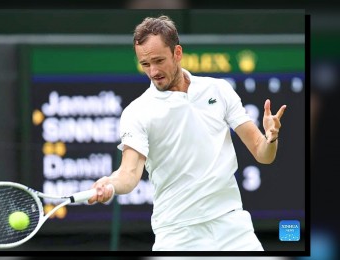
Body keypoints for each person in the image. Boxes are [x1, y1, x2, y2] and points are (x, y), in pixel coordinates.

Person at [88, 15, 286, 251]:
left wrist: (271, 137)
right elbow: (129, 174)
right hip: (177, 235)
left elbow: (263, 153)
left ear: (177, 53)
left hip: (232, 227)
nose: (153, 71)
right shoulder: (137, 112)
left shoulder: (219, 90)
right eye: (145, 64)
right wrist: (110, 184)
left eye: (159, 60)